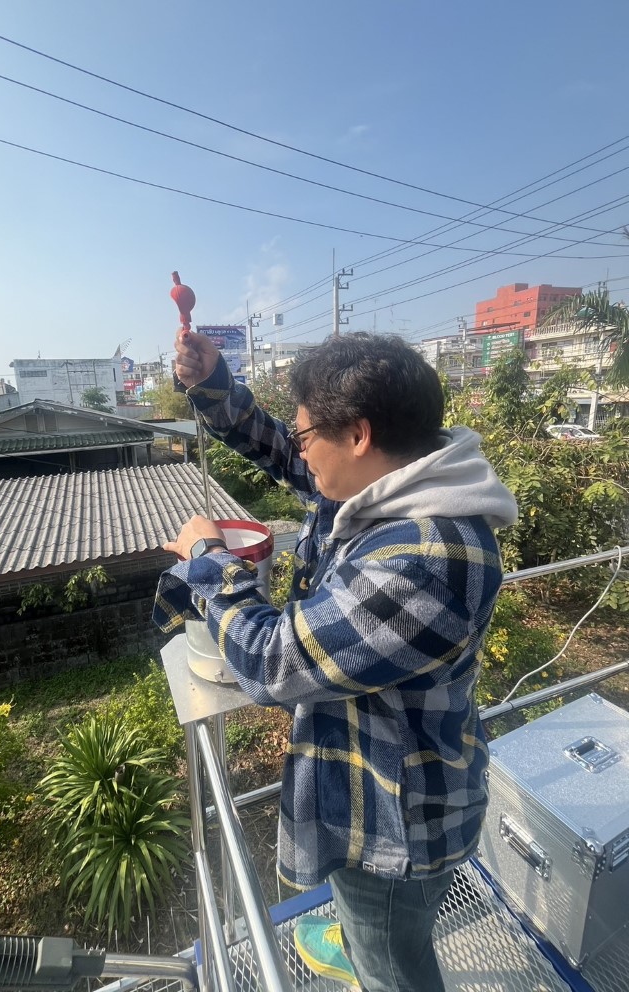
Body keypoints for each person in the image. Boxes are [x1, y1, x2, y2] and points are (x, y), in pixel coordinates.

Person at [153, 330, 518, 992]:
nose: (298, 452)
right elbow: (283, 452)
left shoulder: (428, 557)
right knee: (372, 937)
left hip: (397, 827)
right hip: (379, 786)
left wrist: (210, 561)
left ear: (357, 435)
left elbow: (273, 661)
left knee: (391, 966)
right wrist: (212, 385)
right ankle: (359, 943)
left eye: (306, 435)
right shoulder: (393, 485)